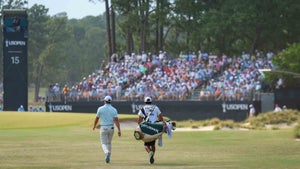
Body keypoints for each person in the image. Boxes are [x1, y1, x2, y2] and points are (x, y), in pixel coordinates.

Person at [93, 96, 121, 164]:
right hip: (111, 127)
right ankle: (108, 156)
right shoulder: (114, 109)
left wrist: (94, 126)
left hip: (103, 127)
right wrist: (119, 130)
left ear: (104, 101)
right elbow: (116, 120)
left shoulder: (100, 108)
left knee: (103, 143)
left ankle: (106, 152)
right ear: (110, 101)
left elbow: (97, 118)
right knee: (109, 143)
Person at [137, 96, 163, 164]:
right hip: (154, 129)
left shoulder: (142, 109)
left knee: (146, 145)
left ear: (145, 102)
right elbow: (161, 119)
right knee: (153, 145)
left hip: (145, 129)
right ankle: (151, 158)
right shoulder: (156, 108)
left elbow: (139, 121)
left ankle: (150, 152)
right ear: (151, 102)